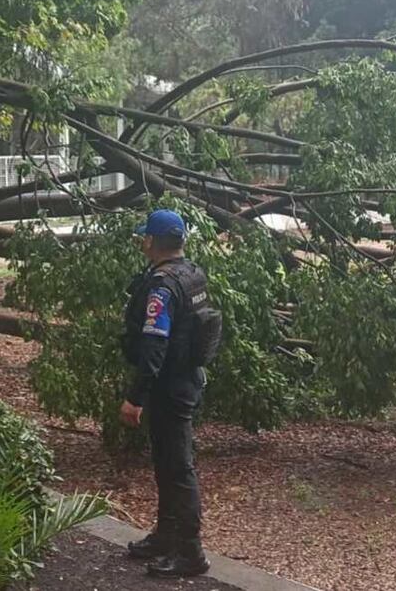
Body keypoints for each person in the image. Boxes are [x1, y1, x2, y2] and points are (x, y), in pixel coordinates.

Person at [119, 209, 219, 578]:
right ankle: (165, 536)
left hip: (169, 386)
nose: (141, 241)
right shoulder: (192, 274)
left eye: (143, 236)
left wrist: (135, 397)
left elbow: (154, 347)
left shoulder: (162, 286)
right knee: (165, 462)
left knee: (178, 468)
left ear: (149, 241)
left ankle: (190, 554)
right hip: (186, 379)